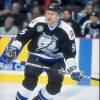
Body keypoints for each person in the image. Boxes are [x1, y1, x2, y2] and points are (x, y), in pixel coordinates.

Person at [0, 2, 83, 100]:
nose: (49, 16)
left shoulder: (67, 30)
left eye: (52, 14)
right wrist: (13, 49)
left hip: (56, 61)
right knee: (29, 82)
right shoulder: (38, 22)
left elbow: (69, 54)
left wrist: (73, 69)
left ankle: (39, 98)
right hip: (36, 57)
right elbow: (22, 37)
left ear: (58, 16)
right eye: (47, 13)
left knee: (54, 88)